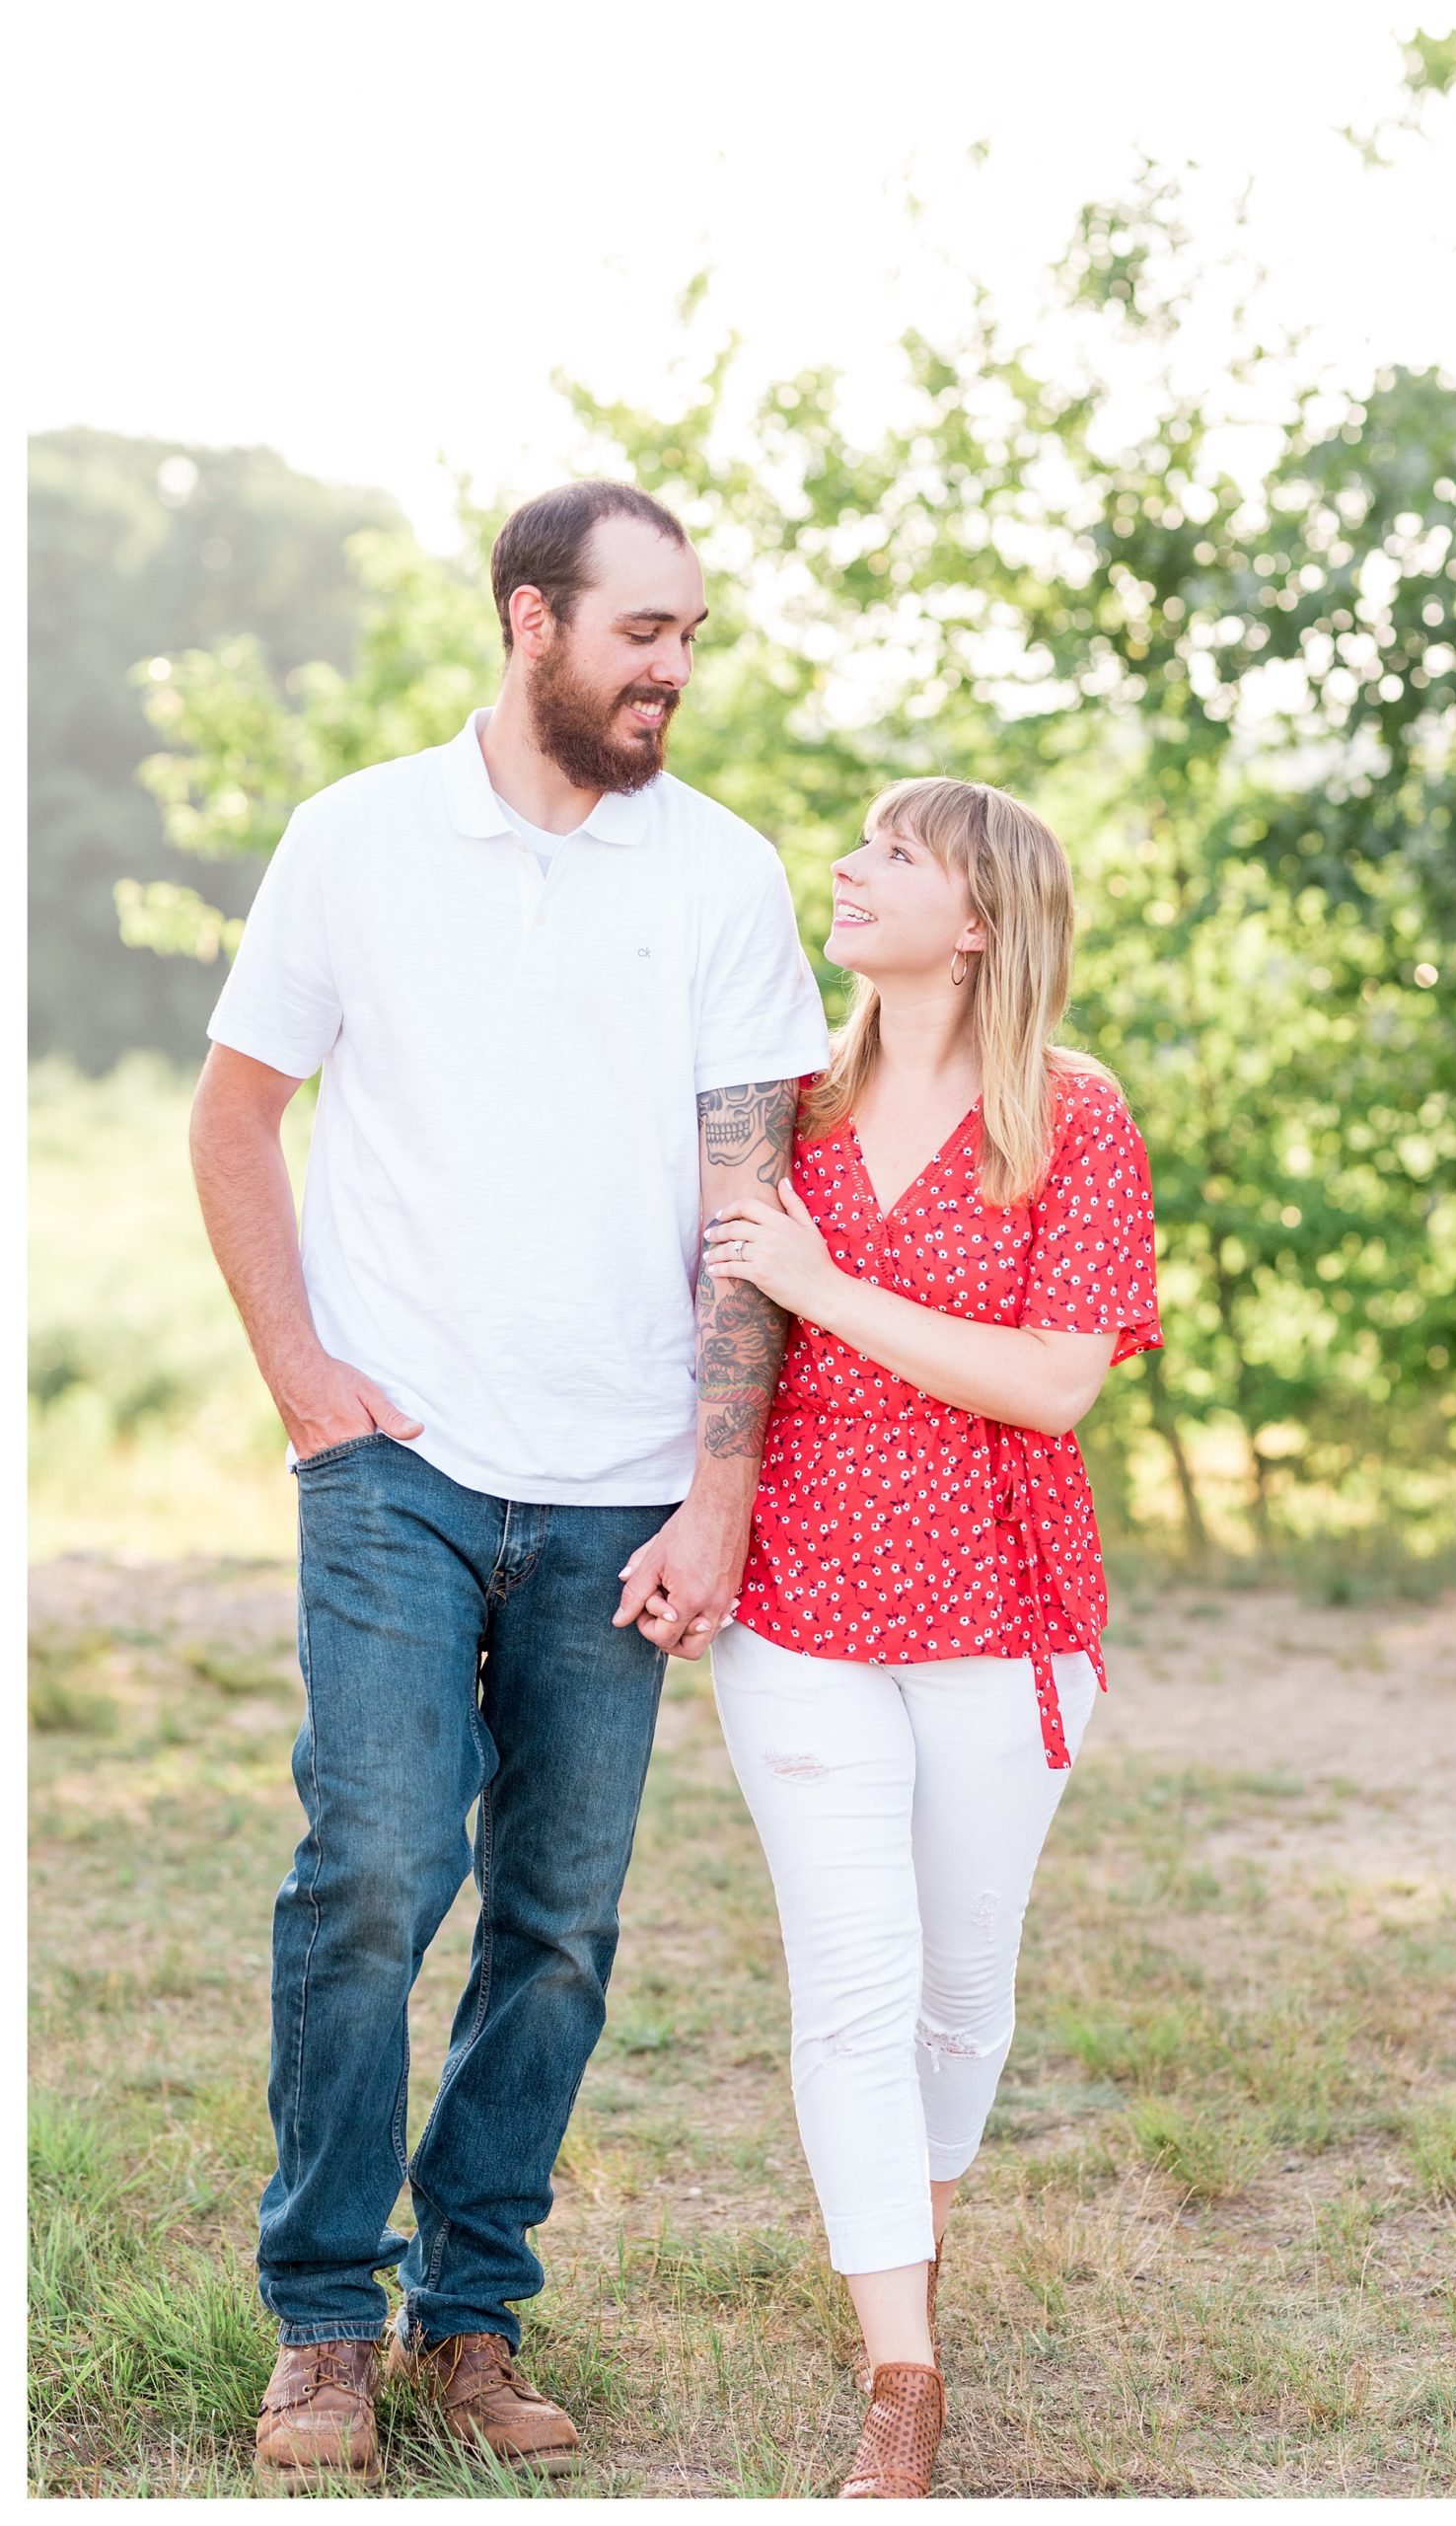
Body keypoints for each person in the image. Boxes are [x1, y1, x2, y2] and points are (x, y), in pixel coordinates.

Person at [188, 481, 829, 2488]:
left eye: (693, 635)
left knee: (558, 1915)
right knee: (372, 1873)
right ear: (528, 620)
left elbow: (754, 1202)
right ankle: (322, 2321)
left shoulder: (722, 875)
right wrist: (305, 1377)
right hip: (403, 1459)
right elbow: (234, 1120)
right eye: (643, 630)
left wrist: (715, 1494)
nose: (674, 668)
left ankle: (472, 2312)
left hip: (629, 1481)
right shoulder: (357, 839)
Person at [701, 777, 1162, 2499]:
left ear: (978, 920)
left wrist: (829, 1287)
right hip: (801, 1604)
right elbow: (712, 1338)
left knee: (963, 1996)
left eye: (894, 853)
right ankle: (905, 2380)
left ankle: (915, 2238)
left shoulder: (1073, 1115)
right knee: (854, 1981)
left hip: (1004, 1611)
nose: (849, 865)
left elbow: (1054, 1383)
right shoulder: (784, 1110)